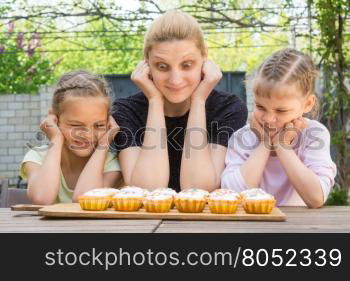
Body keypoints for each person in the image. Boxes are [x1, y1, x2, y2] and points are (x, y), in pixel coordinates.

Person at [112, 10, 248, 192]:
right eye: (162, 66)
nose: (175, 80)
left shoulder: (227, 108)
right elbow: (146, 189)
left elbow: (198, 189)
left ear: (204, 57)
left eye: (187, 65)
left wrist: (199, 102)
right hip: (145, 221)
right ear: (147, 65)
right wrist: (155, 102)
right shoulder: (126, 111)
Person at [221, 48, 337, 208]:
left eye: (281, 110)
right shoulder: (243, 137)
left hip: (299, 229)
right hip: (249, 228)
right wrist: (265, 144)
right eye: (260, 107)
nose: (268, 119)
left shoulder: (314, 135)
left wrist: (282, 146)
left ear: (307, 104)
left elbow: (316, 198)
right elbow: (232, 196)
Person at [20, 70, 122, 204]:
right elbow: (42, 198)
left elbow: (84, 200)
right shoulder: (38, 157)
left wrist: (103, 146)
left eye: (98, 125)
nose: (88, 135)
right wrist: (56, 140)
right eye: (76, 125)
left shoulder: (111, 163)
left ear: (109, 124)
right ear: (55, 119)